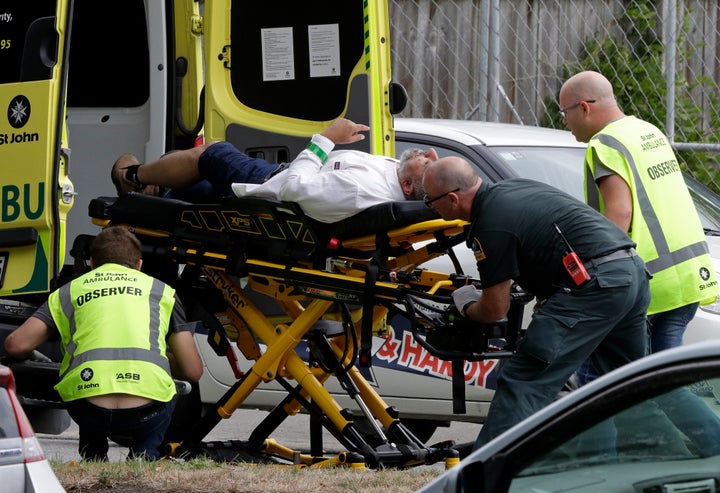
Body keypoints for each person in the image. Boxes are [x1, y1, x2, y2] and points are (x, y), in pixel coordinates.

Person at [422, 156, 651, 449]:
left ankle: (486, 471)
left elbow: (495, 309)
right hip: (630, 272)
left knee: (524, 379)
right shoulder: (514, 188)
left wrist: (466, 303)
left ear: (453, 199)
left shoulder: (490, 224)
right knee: (638, 384)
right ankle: (695, 454)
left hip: (594, 286)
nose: (430, 206)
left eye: (430, 201)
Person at [559, 70, 719, 383]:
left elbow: (619, 213)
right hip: (687, 277)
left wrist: (586, 267)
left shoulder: (604, 145)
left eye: (565, 113)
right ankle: (684, 432)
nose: (564, 121)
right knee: (661, 385)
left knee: (603, 382)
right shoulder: (647, 132)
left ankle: (704, 433)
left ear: (584, 108)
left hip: (648, 284)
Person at [4, 226, 204, 461]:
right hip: (146, 412)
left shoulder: (70, 291)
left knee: (84, 380)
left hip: (88, 409)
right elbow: (193, 371)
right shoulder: (161, 292)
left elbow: (15, 346)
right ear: (139, 265)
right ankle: (145, 456)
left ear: (91, 263)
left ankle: (93, 454)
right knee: (170, 392)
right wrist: (165, 360)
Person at [111, 118, 435, 223]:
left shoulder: (360, 190)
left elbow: (293, 189)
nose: (429, 152)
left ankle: (133, 177)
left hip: (272, 186)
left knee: (212, 153)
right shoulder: (398, 177)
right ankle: (157, 192)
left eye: (430, 162)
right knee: (207, 188)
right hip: (280, 176)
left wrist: (326, 140)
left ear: (408, 186)